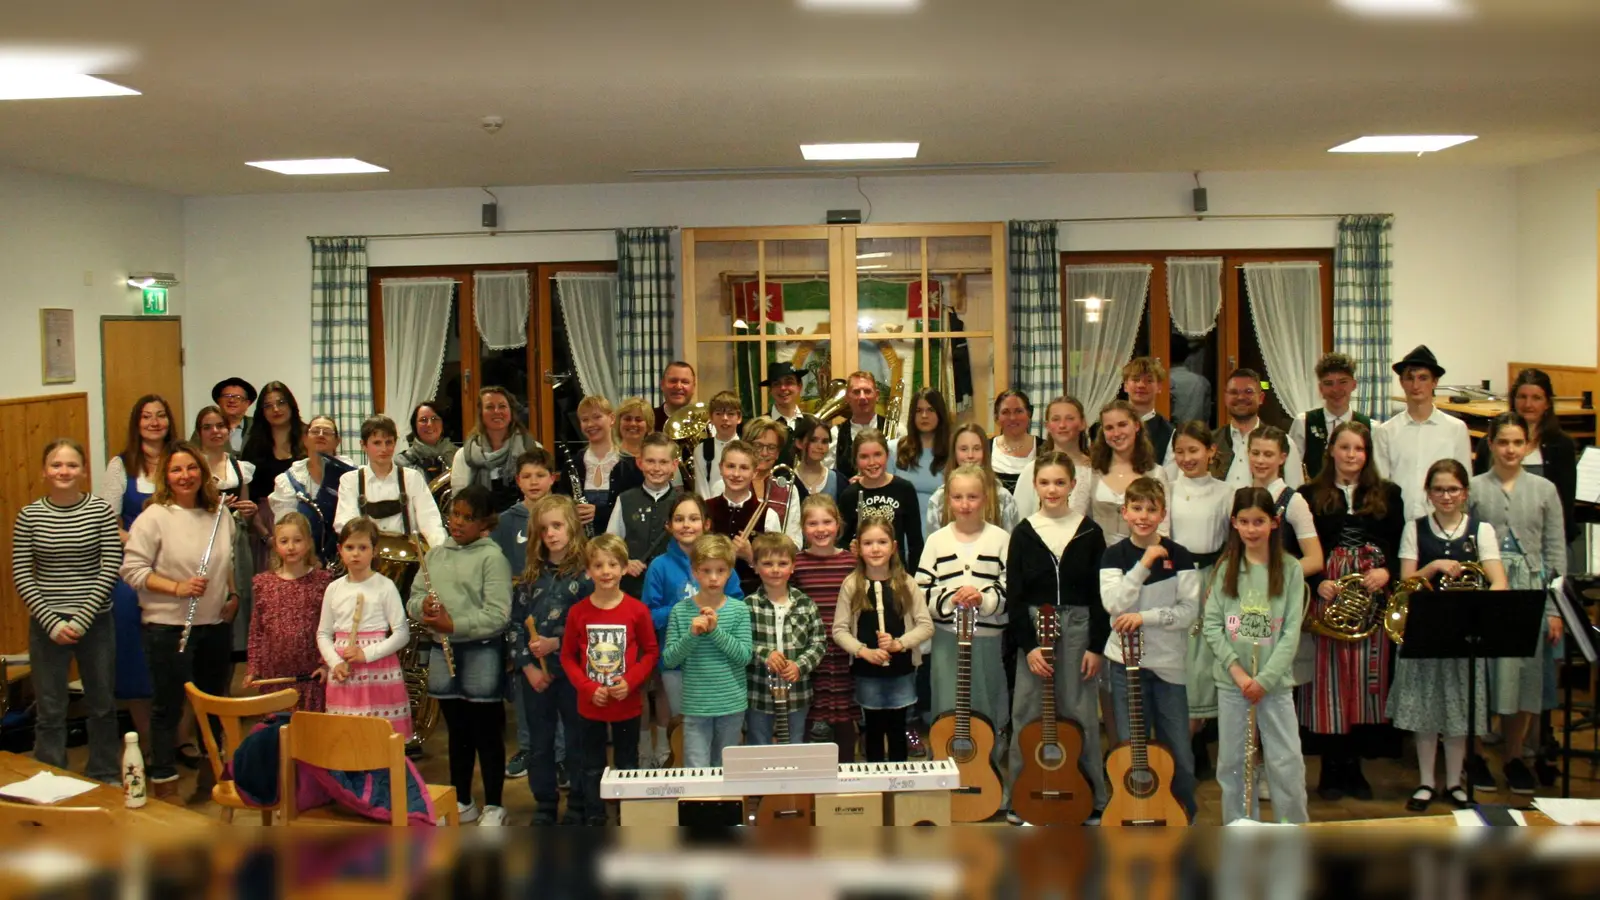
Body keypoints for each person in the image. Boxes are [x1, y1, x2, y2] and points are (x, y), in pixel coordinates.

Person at [120, 441, 239, 792]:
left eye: (191, 468)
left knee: (214, 699)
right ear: (166, 477)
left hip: (214, 623)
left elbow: (225, 562)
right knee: (168, 704)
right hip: (168, 625)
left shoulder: (219, 514)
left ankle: (212, 765)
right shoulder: (154, 517)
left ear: (202, 473)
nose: (185, 476)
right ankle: (163, 775)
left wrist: (232, 593)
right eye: (176, 470)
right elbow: (132, 570)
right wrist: (177, 588)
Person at [1297, 420, 1405, 801]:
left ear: (1367, 453)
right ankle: (1330, 766)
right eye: (1344, 448)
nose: (1351, 456)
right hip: (1329, 596)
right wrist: (1315, 583)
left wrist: (1385, 570)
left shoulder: (1388, 493)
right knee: (1327, 681)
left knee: (1363, 680)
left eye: (1358, 449)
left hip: (1369, 599)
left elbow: (1398, 543)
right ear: (1331, 451)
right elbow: (1298, 549)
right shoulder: (1308, 494)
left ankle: (1355, 766)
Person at [1391, 459, 1507, 811]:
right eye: (1439, 489)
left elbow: (1499, 579)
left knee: (1458, 710)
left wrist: (1486, 605)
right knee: (1426, 708)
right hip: (1425, 629)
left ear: (1465, 493)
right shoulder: (1415, 528)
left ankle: (1455, 782)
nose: (1446, 496)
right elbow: (1406, 584)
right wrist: (1434, 567)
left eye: (1453, 489)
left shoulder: (1480, 530)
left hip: (1464, 632)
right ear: (1428, 493)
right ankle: (1427, 782)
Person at [1005, 451, 1110, 824]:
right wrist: (1029, 646)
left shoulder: (1090, 532)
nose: (1052, 489)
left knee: (1080, 711)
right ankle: (1020, 796)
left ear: (1072, 485)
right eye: (1045, 482)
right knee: (1029, 712)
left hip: (1080, 627)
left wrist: (1096, 647)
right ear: (1035, 485)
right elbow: (1013, 597)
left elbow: (1101, 597)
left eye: (1059, 482)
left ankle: (1091, 796)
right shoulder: (1023, 532)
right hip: (1036, 629)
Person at [12, 439, 122, 783]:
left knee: (102, 705)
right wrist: (53, 622)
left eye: (72, 465)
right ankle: (49, 776)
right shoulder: (29, 516)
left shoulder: (100, 511)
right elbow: (21, 572)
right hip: (47, 627)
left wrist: (81, 618)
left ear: (84, 471)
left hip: (96, 622)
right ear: (45, 471)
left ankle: (104, 773)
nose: (64, 471)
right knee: (50, 709)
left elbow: (110, 564)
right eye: (57, 465)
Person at [1469, 413, 1567, 796]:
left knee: (1526, 674)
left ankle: (1513, 756)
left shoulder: (1544, 490)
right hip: (1488, 588)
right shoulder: (1475, 488)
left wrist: (1554, 608)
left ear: (1528, 446)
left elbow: (1555, 551)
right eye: (1502, 442)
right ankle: (1474, 755)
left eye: (1517, 443)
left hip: (1530, 588)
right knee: (1485, 674)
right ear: (1490, 445)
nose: (1510, 450)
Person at [1202, 487, 1310, 824]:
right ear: (1234, 523)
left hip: (1273, 684)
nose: (1251, 529)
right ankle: (1240, 827)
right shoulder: (1225, 569)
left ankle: (1292, 831)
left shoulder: (1290, 570)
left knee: (1285, 761)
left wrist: (1264, 679)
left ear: (1274, 523)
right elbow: (1212, 625)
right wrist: (1238, 673)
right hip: (1233, 684)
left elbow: (1291, 632)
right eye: (1244, 522)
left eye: (1259, 522)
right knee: (1234, 762)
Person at [408, 485, 514, 826]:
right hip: (443, 650)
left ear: (484, 523)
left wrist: (454, 624)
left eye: (468, 518)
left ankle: (495, 805)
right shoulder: (436, 555)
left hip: (481, 653)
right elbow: (414, 599)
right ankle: (463, 800)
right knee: (457, 731)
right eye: (454, 513)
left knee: (486, 731)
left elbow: (498, 616)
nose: (457, 522)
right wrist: (421, 607)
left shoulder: (492, 557)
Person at [1099, 476, 1200, 822]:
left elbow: (1188, 612)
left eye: (1151, 510)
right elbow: (1114, 604)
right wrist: (1143, 565)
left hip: (1168, 665)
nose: (1143, 516)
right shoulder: (1114, 555)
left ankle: (1183, 816)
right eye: (1136, 508)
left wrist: (1144, 617)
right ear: (1124, 512)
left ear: (1162, 514)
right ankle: (1134, 814)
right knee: (1131, 750)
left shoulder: (1181, 556)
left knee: (1179, 753)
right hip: (1124, 664)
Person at [639, 493, 746, 765]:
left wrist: (713, 614)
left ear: (706, 524)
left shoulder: (723, 563)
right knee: (688, 727)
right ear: (668, 526)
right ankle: (677, 765)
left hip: (719, 665)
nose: (687, 525)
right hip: (677, 663)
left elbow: (735, 602)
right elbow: (648, 615)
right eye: (679, 519)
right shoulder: (659, 566)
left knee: (719, 735)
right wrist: (685, 610)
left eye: (694, 518)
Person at [918, 465, 1011, 772]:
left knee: (986, 706)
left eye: (972, 496)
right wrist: (951, 598)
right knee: (947, 707)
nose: (965, 504)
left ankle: (989, 774)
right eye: (957, 497)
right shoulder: (937, 541)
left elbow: (1011, 587)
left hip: (987, 640)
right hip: (947, 639)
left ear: (985, 498)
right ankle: (944, 773)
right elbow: (922, 591)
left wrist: (983, 599)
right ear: (949, 501)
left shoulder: (1000, 539)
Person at [562, 534, 659, 824]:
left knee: (627, 763)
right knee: (591, 765)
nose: (606, 571)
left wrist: (631, 682)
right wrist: (588, 687)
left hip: (626, 703)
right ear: (588, 571)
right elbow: (567, 657)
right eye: (598, 565)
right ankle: (595, 816)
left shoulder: (637, 610)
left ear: (624, 568)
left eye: (613, 564)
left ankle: (626, 817)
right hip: (590, 705)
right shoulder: (578, 613)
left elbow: (651, 652)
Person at [510, 495, 592, 825]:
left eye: (557, 526)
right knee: (540, 745)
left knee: (577, 741)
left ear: (572, 526)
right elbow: (515, 625)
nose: (552, 534)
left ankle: (578, 802)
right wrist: (528, 666)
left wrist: (557, 642)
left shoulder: (586, 577)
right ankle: (544, 803)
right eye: (544, 529)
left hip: (574, 674)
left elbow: (592, 626)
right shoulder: (530, 576)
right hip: (536, 678)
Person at [98, 394, 174, 732]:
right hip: (134, 565)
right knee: (128, 621)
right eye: (147, 416)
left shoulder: (182, 460)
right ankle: (143, 732)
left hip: (178, 562)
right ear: (137, 423)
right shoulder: (121, 465)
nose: (154, 422)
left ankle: (181, 735)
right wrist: (143, 546)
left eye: (160, 415)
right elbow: (107, 522)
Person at [833, 513, 933, 763]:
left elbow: (925, 626)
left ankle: (898, 786)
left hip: (901, 671)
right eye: (868, 543)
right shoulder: (852, 584)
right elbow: (839, 630)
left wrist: (900, 643)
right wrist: (862, 651)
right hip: (868, 671)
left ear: (894, 547)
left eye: (882, 542)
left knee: (898, 729)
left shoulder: (907, 583)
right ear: (858, 548)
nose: (875, 549)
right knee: (873, 732)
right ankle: (876, 788)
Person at [487, 446, 558, 781]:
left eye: (540, 475)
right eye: (527, 476)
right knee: (526, 680)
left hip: (556, 613)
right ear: (517, 481)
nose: (534, 482)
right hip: (520, 614)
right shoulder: (505, 522)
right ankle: (529, 747)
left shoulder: (563, 515)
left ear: (552, 479)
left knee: (557, 680)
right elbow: (496, 569)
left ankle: (559, 754)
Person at [663, 534, 754, 767]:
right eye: (706, 571)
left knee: (726, 768)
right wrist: (692, 635)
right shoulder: (680, 611)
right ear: (695, 572)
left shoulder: (739, 610)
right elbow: (670, 659)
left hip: (731, 704)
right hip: (696, 705)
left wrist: (715, 631)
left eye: (721, 571)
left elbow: (744, 656)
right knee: (696, 768)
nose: (713, 578)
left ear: (730, 572)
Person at [317, 517, 412, 738]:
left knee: (380, 739)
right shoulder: (333, 589)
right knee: (347, 737)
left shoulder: (385, 586)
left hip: (377, 669)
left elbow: (401, 633)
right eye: (350, 547)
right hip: (344, 671)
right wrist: (335, 662)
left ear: (374, 550)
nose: (356, 553)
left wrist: (366, 654)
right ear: (340, 550)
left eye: (363, 547)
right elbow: (323, 633)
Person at [1167, 423, 1233, 735]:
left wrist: (1217, 581)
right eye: (1180, 451)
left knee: (1202, 663)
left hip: (1210, 579)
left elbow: (1230, 543)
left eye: (1193, 450)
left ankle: (1197, 735)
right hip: (1174, 578)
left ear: (1211, 451)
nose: (1186, 458)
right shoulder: (1167, 488)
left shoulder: (1225, 493)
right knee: (1175, 658)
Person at [791, 494, 864, 761]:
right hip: (811, 653)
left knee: (845, 717)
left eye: (827, 522)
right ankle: (812, 774)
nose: (820, 529)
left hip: (844, 652)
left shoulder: (851, 563)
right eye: (813, 523)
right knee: (812, 715)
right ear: (803, 528)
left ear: (838, 524)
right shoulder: (796, 564)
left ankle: (845, 771)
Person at [1473, 368, 1579, 548]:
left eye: (1536, 398)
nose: (1528, 404)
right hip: (1495, 540)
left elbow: (1564, 505)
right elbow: (1478, 495)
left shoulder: (1561, 446)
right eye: (1522, 396)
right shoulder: (1488, 443)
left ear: (1547, 403)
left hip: (1542, 541)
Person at [744, 533, 826, 745]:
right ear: (755, 566)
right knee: (758, 743)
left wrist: (799, 665)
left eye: (782, 563)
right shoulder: (747, 605)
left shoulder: (805, 603)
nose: (775, 569)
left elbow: (818, 642)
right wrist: (764, 654)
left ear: (792, 566)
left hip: (797, 693)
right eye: (767, 563)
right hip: (758, 691)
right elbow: (741, 644)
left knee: (795, 743)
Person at [247, 512, 332, 711]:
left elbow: (331, 629)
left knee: (309, 732)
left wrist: (326, 663)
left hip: (311, 676)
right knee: (277, 734)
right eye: (284, 541)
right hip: (274, 676)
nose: (291, 547)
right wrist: (253, 667)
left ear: (309, 543)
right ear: (276, 545)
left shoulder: (323, 582)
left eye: (297, 540)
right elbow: (257, 630)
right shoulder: (264, 583)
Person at [1375, 345, 1472, 521]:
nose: (1416, 385)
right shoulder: (1386, 431)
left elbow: (1464, 482)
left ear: (1435, 382)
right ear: (1401, 382)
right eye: (1409, 378)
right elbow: (1381, 485)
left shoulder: (1456, 429)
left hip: (1443, 522)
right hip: (1398, 522)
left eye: (1423, 378)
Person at [193, 405, 259, 656]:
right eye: (208, 427)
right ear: (199, 432)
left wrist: (248, 510)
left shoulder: (238, 466)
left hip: (236, 536)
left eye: (220, 426)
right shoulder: (193, 466)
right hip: (204, 537)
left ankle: (236, 651)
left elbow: (246, 509)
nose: (215, 431)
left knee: (238, 590)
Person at [333, 415, 447, 549]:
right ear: (363, 445)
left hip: (408, 560)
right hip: (366, 557)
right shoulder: (350, 480)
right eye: (377, 443)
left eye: (389, 442)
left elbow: (430, 521)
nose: (384, 449)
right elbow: (345, 524)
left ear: (395, 443)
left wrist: (440, 553)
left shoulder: (412, 478)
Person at [1193, 369, 1304, 489]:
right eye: (1234, 392)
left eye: (1248, 392)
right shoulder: (1209, 442)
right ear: (1225, 398)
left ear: (1261, 398)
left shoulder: (1283, 442)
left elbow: (1295, 491)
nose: (1241, 397)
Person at [268, 415, 355, 564]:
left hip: (345, 561)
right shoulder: (288, 480)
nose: (321, 435)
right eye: (315, 431)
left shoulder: (352, 476)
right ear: (305, 438)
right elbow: (285, 529)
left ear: (337, 442)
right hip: (302, 562)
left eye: (327, 432)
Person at [1080, 400, 1168, 542]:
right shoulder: (1090, 473)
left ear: (1137, 426)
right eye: (1109, 428)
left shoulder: (1156, 473)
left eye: (1122, 425)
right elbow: (1077, 519)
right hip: (1098, 557)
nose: (1116, 433)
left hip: (1143, 555)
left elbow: (1163, 528)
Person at [558, 395, 644, 540]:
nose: (590, 424)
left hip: (617, 547)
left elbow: (636, 511)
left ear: (611, 419)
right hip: (578, 546)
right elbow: (560, 503)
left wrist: (598, 513)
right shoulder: (573, 464)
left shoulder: (630, 465)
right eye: (585, 420)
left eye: (597, 417)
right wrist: (571, 511)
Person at [606, 433, 680, 600]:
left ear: (674, 465)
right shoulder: (625, 499)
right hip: (631, 590)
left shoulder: (683, 502)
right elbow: (609, 544)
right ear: (640, 462)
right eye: (650, 461)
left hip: (672, 590)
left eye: (663, 462)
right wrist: (625, 562)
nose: (656, 468)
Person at [839, 429, 925, 570]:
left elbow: (915, 543)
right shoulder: (849, 495)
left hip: (897, 573)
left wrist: (915, 580)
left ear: (887, 455)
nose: (872, 462)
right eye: (864, 457)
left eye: (878, 454)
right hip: (861, 574)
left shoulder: (904, 489)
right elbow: (841, 542)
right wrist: (850, 549)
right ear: (855, 460)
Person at [1246, 427, 1326, 578]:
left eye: (1268, 454)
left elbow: (1315, 560)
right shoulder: (1240, 497)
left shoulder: (1294, 501)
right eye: (1255, 453)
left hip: (1279, 591)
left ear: (1282, 458)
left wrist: (1273, 577)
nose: (1260, 460)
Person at [707, 440, 784, 595]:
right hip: (709, 593)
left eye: (744, 468)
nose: (736, 474)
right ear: (721, 468)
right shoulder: (704, 510)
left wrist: (750, 556)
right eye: (730, 466)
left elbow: (778, 571)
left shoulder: (768, 515)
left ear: (754, 472)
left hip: (753, 595)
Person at [240, 382, 304, 569]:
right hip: (264, 526)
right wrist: (265, 535)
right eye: (268, 405)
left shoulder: (308, 438)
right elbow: (248, 498)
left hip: (304, 521)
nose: (276, 409)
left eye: (281, 402)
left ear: (291, 405)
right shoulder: (253, 445)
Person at [452, 386, 539, 512]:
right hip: (481, 525)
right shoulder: (464, 455)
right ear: (481, 413)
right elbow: (459, 503)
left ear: (511, 412)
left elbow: (542, 499)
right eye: (490, 407)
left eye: (502, 406)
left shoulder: (532, 449)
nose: (497, 411)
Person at [1289, 353, 1369, 482]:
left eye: (1342, 382)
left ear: (1353, 385)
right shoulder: (1303, 422)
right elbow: (1292, 469)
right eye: (1328, 383)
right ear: (1320, 388)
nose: (1336, 389)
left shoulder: (1371, 427)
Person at [926, 424, 1021, 534]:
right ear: (954, 453)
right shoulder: (938, 499)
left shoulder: (1003, 498)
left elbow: (1011, 545)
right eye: (963, 449)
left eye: (977, 449)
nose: (970, 455)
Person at [1014, 396, 1092, 519]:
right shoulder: (1033, 469)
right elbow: (1020, 516)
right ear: (1047, 426)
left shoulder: (1092, 470)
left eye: (1070, 419)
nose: (1062, 425)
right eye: (1056, 419)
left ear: (1082, 423)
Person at [890, 388, 953, 521]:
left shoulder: (953, 451)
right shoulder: (894, 449)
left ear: (940, 414)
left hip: (941, 529)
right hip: (901, 531)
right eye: (919, 411)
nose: (924, 415)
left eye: (930, 410)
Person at [745, 418, 803, 542]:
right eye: (757, 446)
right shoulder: (726, 485)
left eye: (771, 447)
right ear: (746, 447)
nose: (764, 453)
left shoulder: (789, 490)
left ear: (777, 453)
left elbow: (795, 541)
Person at [828, 371, 888, 478]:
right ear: (847, 397)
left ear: (877, 395)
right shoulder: (835, 434)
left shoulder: (896, 429)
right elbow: (830, 476)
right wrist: (846, 485)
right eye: (856, 392)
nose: (862, 397)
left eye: (867, 391)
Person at [1119, 357, 1175, 466]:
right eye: (1135, 380)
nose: (1141, 385)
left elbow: (1169, 477)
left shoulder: (1169, 433)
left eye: (1149, 381)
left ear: (1159, 387)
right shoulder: (1110, 425)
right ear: (1125, 385)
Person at [693, 390, 744, 499]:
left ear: (739, 418)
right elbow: (701, 489)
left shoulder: (747, 449)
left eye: (730, 414)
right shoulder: (702, 450)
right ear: (711, 418)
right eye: (718, 413)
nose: (724, 418)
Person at [395, 402, 459, 487]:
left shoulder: (459, 456)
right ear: (415, 426)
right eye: (423, 420)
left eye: (434, 418)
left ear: (443, 424)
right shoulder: (402, 461)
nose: (429, 424)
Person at [991, 389, 1037, 493]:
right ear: (996, 417)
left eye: (1019, 411)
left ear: (1029, 414)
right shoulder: (985, 448)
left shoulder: (1044, 448)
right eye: (1005, 412)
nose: (1012, 418)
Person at [791, 415, 840, 502]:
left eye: (825, 442)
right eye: (813, 440)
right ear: (799, 443)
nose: (820, 446)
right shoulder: (788, 480)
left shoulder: (837, 480)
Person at [212, 377, 256, 454]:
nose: (232, 400)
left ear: (247, 403)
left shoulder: (257, 426)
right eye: (227, 396)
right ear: (219, 401)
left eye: (238, 397)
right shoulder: (207, 426)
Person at [763, 361, 807, 436]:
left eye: (789, 382)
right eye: (776, 384)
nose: (783, 388)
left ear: (799, 386)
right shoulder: (761, 425)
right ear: (770, 390)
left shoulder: (810, 424)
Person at [652, 361, 698, 431]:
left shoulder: (708, 421)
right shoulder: (649, 420)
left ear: (693, 387)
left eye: (685, 382)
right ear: (662, 385)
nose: (678, 387)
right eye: (673, 381)